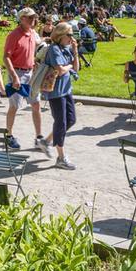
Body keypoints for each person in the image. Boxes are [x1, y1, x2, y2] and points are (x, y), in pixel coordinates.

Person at [2, 7, 50, 155]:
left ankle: (39, 137)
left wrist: (46, 40)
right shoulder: (14, 35)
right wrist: (14, 76)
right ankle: (9, 136)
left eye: (34, 17)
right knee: (14, 106)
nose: (33, 20)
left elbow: (36, 44)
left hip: (30, 73)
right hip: (17, 72)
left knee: (36, 105)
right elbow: (6, 57)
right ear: (21, 18)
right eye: (29, 17)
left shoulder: (32, 32)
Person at [40, 22, 80, 169]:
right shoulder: (54, 49)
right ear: (61, 35)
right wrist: (69, 66)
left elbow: (76, 68)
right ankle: (61, 157)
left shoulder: (66, 48)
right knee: (61, 122)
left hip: (66, 90)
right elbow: (61, 70)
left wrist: (75, 51)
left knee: (71, 120)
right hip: (55, 92)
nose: (72, 38)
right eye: (69, 35)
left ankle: (46, 141)